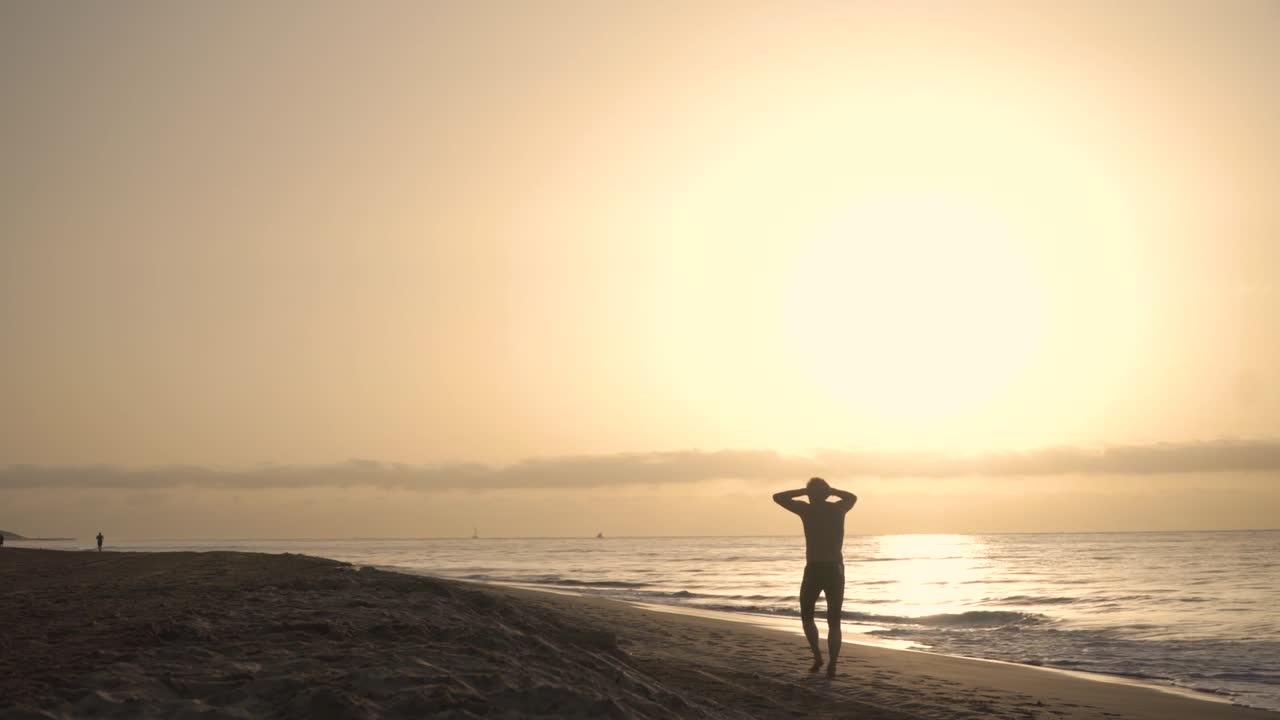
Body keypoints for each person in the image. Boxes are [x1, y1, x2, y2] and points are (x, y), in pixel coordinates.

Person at [773, 477, 858, 678]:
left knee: (808, 615)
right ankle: (832, 664)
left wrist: (805, 491)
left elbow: (778, 497)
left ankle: (819, 657)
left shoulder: (807, 509)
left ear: (811, 495)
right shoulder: (838, 509)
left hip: (815, 568)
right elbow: (852, 497)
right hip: (834, 569)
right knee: (833, 620)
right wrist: (831, 490)